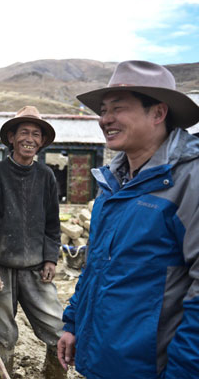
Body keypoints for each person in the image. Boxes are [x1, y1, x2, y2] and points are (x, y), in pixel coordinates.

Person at [57, 60, 199, 379]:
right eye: (103, 110)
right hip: (104, 360)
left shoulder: (190, 181)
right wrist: (73, 323)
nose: (105, 119)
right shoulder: (112, 184)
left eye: (117, 108)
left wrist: (183, 371)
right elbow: (96, 265)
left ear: (158, 113)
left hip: (153, 369)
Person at [0, 106, 66, 379]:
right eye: (24, 132)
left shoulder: (46, 176)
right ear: (11, 138)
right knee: (2, 336)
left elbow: (52, 222)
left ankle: (54, 375)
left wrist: (51, 257)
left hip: (36, 268)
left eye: (36, 134)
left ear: (42, 141)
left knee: (59, 329)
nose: (30, 139)